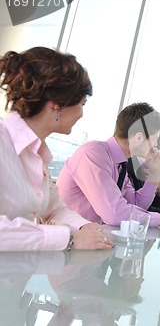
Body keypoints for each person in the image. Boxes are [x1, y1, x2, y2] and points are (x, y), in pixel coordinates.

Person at [0, 46, 113, 251]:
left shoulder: (37, 154)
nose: (81, 113)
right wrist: (68, 239)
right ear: (57, 105)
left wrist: (85, 227)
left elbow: (53, 209)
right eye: (82, 103)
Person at [57, 102, 160, 228]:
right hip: (66, 242)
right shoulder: (93, 155)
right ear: (139, 137)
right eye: (155, 140)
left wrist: (154, 175)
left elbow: (137, 206)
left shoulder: (120, 165)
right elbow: (114, 213)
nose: (155, 147)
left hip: (92, 238)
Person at [127, 130, 160, 212]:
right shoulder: (128, 166)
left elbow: (157, 205)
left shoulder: (152, 169)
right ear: (153, 149)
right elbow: (134, 207)